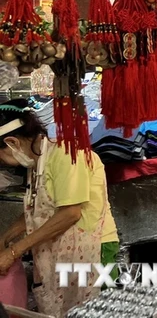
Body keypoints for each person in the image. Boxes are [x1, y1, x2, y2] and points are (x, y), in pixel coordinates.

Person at [0, 99, 119, 317]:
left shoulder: (66, 155)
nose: (5, 164)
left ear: (12, 143)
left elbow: (70, 213)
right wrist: (5, 238)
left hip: (93, 248)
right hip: (59, 249)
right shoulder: (37, 162)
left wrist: (15, 251)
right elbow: (36, 209)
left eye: (1, 157)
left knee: (93, 310)